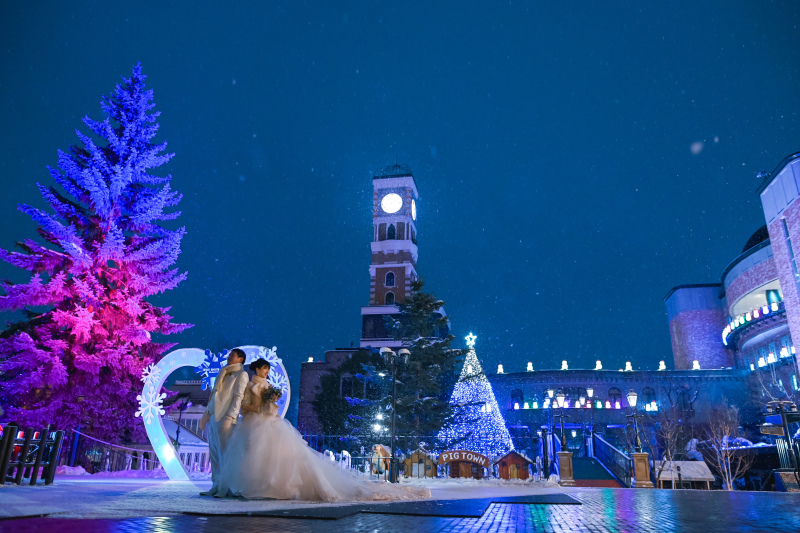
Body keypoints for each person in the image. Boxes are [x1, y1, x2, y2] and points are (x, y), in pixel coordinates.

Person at [218, 358, 430, 502]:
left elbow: (271, 408)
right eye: (264, 369)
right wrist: (257, 406)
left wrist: (271, 402)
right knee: (255, 455)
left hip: (269, 422)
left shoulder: (269, 386)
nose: (266, 372)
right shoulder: (251, 384)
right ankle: (257, 486)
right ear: (257, 369)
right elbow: (245, 405)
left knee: (278, 455)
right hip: (255, 422)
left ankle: (277, 487)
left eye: (268, 370)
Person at [198, 348, 249, 497]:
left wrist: (230, 417)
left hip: (226, 418)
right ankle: (216, 484)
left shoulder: (241, 374)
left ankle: (225, 487)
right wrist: (207, 413)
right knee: (214, 454)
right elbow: (214, 395)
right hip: (214, 416)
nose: (229, 357)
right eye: (229, 355)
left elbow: (238, 397)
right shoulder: (223, 373)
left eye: (233, 355)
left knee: (224, 454)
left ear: (240, 359)